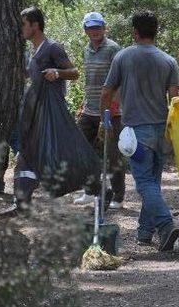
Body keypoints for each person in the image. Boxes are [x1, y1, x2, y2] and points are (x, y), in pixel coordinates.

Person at [100, 10, 179, 251]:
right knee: (152, 182)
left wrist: (104, 120)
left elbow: (106, 92)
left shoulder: (123, 57)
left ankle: (166, 226)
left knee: (144, 183)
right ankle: (145, 233)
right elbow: (175, 99)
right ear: (156, 32)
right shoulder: (169, 61)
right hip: (161, 131)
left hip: (137, 133)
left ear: (134, 32)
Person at [13, 6, 80, 211]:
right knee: (27, 155)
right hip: (35, 114)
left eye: (24, 24)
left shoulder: (52, 47)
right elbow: (33, 76)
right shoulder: (34, 51)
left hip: (49, 115)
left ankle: (95, 185)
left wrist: (57, 73)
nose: (21, 28)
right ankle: (22, 203)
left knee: (31, 155)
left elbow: (74, 72)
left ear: (35, 25)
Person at [72, 12, 126, 209]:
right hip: (89, 110)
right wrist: (84, 103)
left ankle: (118, 197)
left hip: (111, 112)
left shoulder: (113, 49)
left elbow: (119, 81)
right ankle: (91, 191)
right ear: (85, 30)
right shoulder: (86, 49)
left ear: (104, 28)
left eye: (98, 27)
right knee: (83, 152)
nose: (94, 31)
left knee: (113, 156)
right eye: (90, 28)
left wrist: (112, 108)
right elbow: (89, 80)